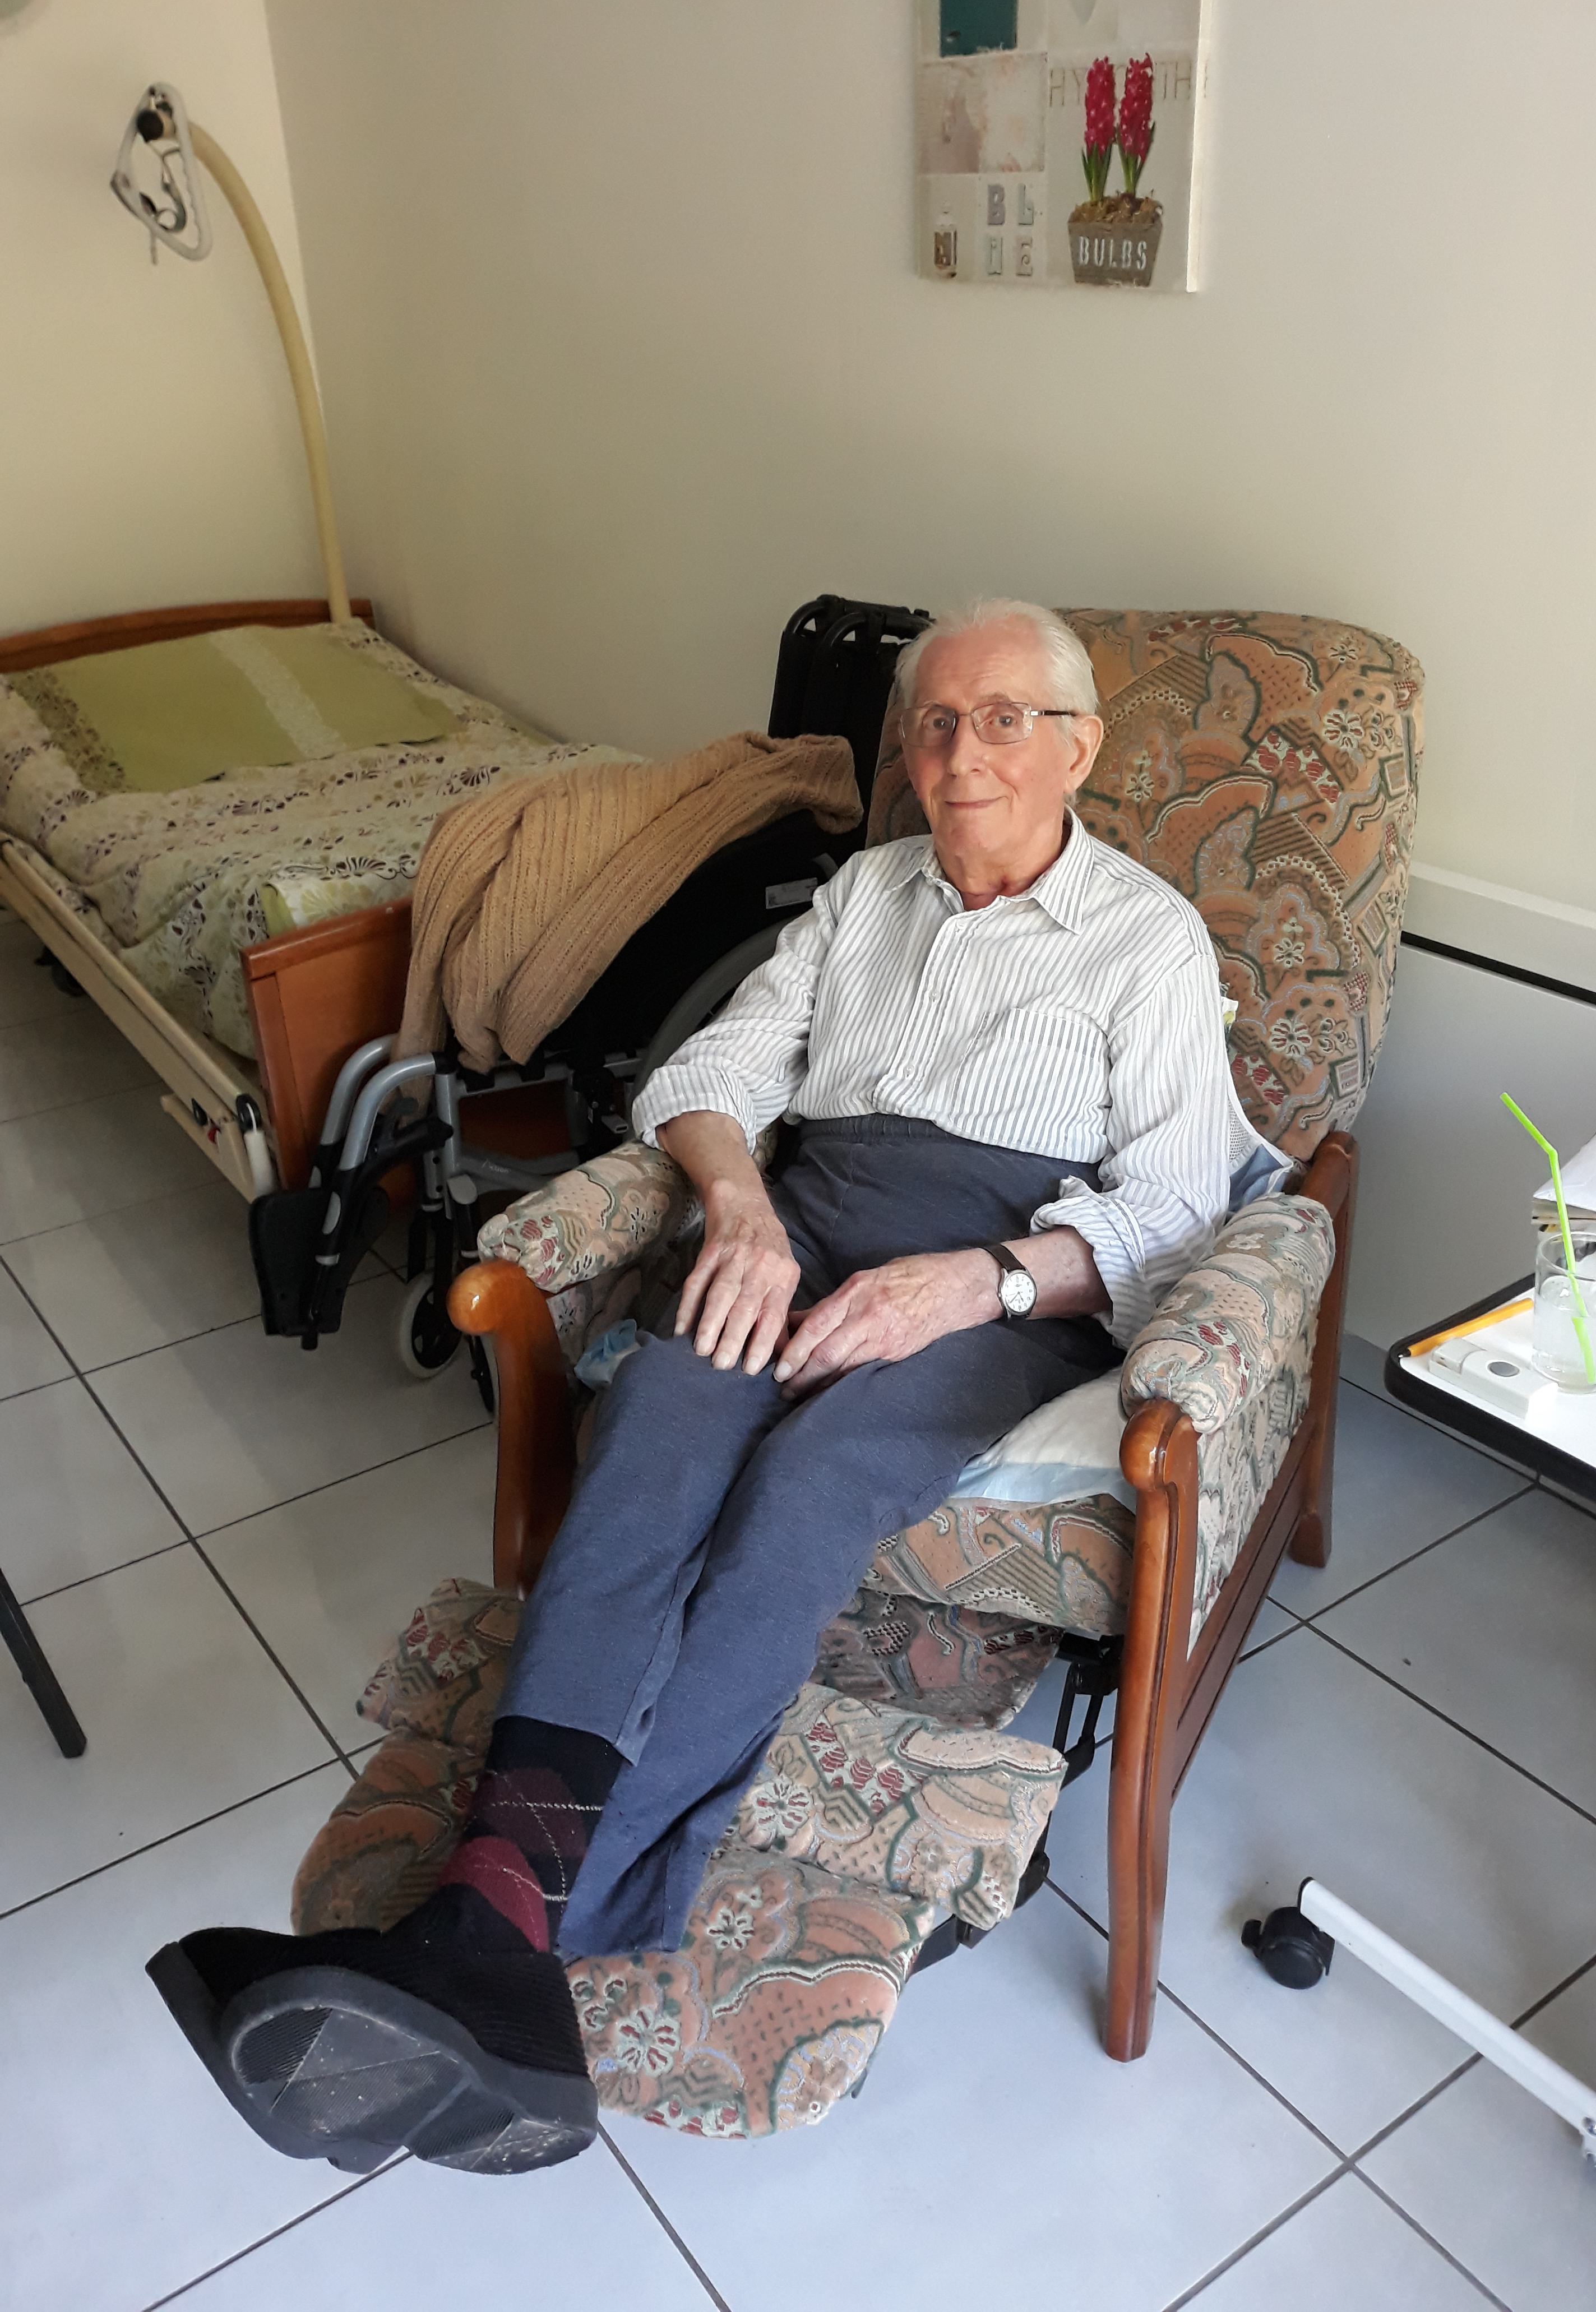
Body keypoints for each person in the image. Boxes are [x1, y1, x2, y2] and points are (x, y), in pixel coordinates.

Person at [148, 600, 1286, 2175]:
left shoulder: (1146, 939)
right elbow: (711, 1073)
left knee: (808, 1494)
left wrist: (973, 1281)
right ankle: (496, 1940)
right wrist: (742, 1209)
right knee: (653, 1442)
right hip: (800, 1218)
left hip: (1007, 1273)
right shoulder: (866, 892)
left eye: (1004, 718)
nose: (960, 754)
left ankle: (505, 1920)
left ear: (1080, 747)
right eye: (934, 723)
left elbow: (1175, 1201)